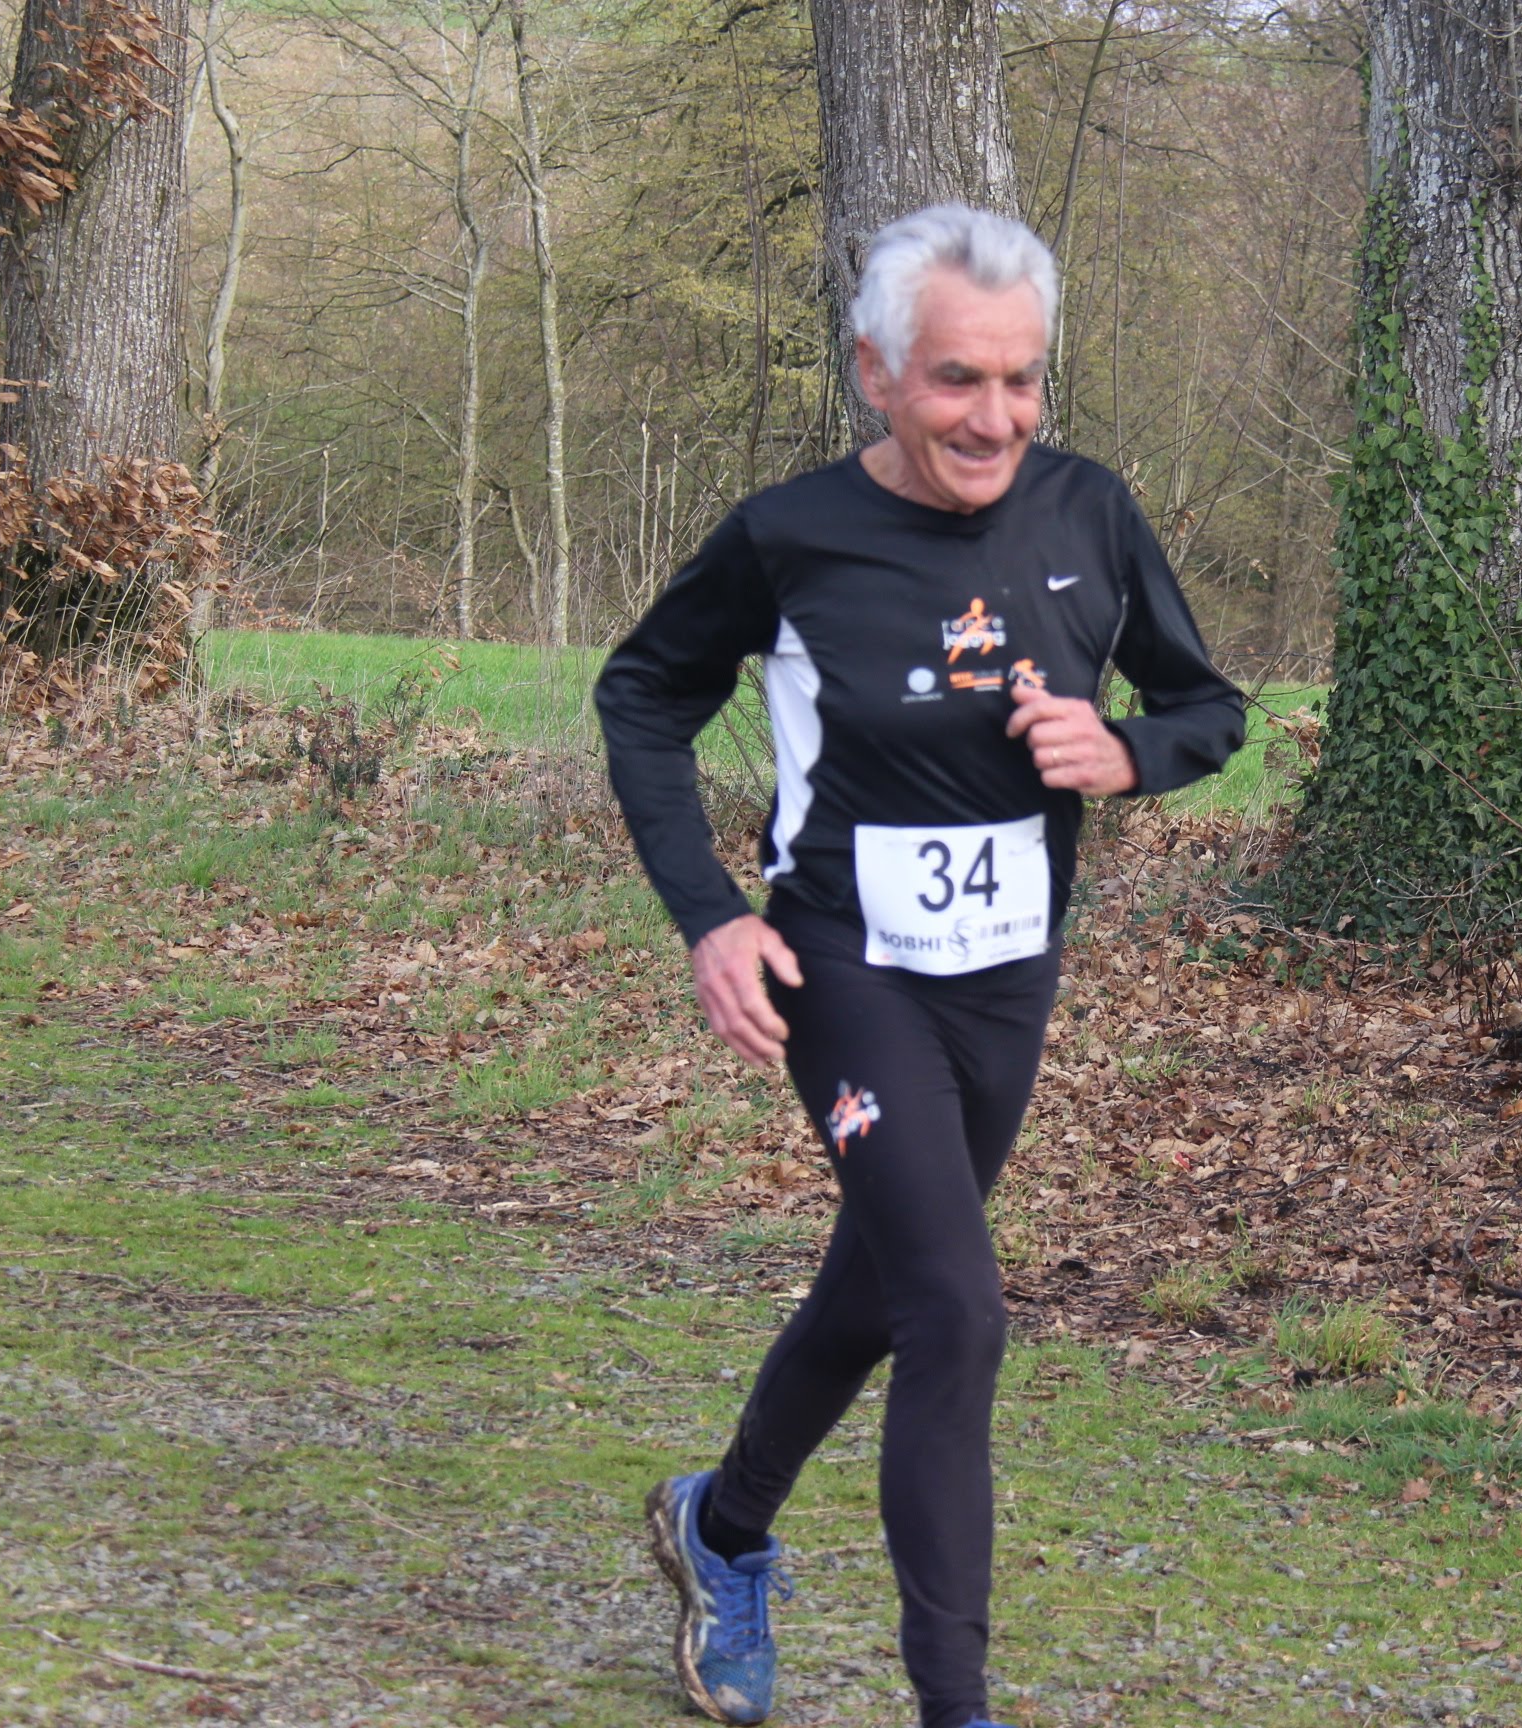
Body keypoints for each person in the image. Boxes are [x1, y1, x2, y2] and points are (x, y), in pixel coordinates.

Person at [593, 204, 1245, 1728]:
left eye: (1023, 380)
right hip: (844, 966)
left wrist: (1126, 753)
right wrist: (710, 915)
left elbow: (1210, 708)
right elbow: (641, 697)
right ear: (877, 372)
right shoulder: (790, 536)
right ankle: (957, 1705)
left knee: (884, 1287)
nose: (996, 417)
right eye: (959, 379)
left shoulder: (1089, 514)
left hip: (1007, 976)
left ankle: (721, 1525)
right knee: (956, 1307)